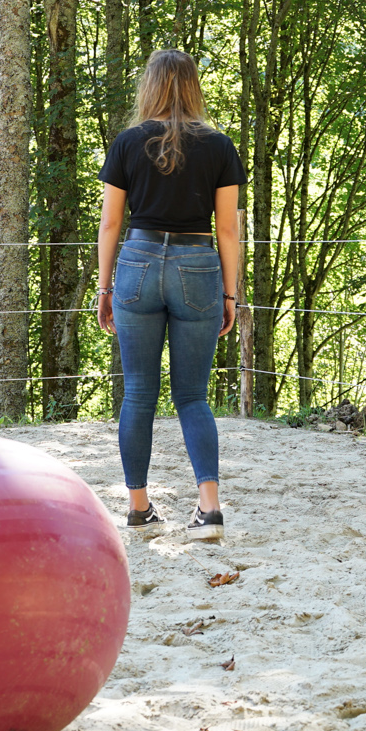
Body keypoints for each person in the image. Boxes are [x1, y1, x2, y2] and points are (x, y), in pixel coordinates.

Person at [96, 50, 244, 540]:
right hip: (197, 264)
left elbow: (112, 223)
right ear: (193, 87)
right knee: (192, 396)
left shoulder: (126, 143)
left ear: (150, 87)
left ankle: (139, 508)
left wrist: (104, 287)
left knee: (138, 391)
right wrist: (230, 294)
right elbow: (227, 229)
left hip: (137, 264)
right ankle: (209, 508)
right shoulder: (220, 146)